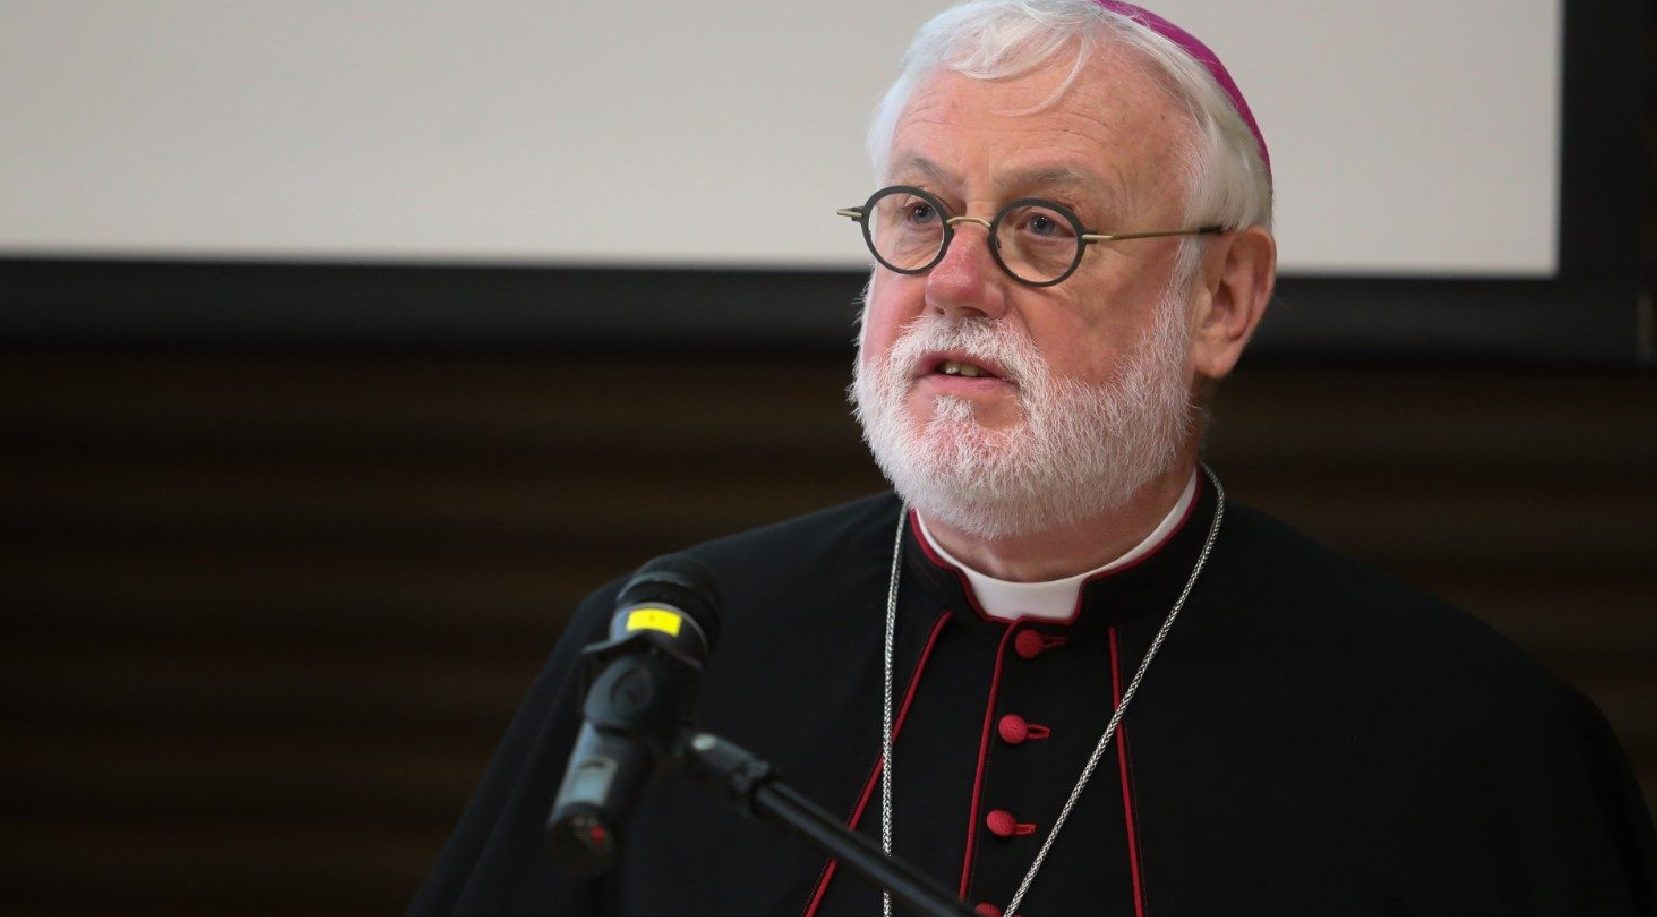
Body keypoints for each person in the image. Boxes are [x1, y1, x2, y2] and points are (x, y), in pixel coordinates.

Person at [409, 2, 1657, 915]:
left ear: (1222, 298)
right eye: (917, 211)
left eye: (1045, 224)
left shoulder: (1467, 737)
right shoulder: (669, 662)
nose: (955, 280)